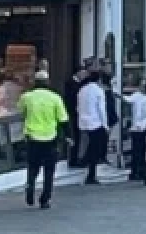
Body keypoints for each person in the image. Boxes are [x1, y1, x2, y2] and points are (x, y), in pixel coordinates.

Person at [19, 71, 68, 208]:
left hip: (32, 137)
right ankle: (45, 199)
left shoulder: (27, 97)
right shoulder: (55, 98)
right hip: (50, 138)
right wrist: (68, 136)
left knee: (33, 167)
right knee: (49, 170)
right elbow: (63, 119)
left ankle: (30, 186)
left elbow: (20, 111)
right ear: (48, 82)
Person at [77, 69, 108, 185]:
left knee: (90, 145)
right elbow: (101, 109)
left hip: (83, 122)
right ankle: (90, 172)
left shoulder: (82, 90)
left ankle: (85, 160)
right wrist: (105, 125)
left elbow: (78, 107)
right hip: (96, 122)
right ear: (99, 80)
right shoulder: (98, 91)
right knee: (96, 147)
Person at [126, 81, 146, 183]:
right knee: (136, 151)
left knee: (143, 151)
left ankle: (142, 170)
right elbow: (128, 100)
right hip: (136, 128)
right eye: (141, 85)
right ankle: (135, 171)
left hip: (145, 128)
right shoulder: (136, 95)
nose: (142, 88)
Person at [63, 65, 88, 166]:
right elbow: (71, 99)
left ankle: (77, 157)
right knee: (74, 136)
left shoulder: (80, 84)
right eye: (83, 73)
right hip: (72, 113)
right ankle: (73, 159)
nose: (84, 75)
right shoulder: (71, 83)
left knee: (78, 137)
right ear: (78, 73)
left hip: (78, 113)